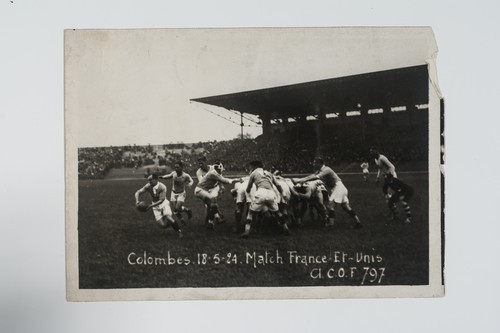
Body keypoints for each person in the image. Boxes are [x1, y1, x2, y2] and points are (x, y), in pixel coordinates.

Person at [294, 157, 362, 229]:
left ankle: (330, 225)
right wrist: (302, 179)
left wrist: (304, 180)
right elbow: (312, 175)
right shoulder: (320, 170)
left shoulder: (326, 169)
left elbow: (317, 177)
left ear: (319, 163)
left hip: (338, 187)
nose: (314, 165)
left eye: (315, 163)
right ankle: (358, 222)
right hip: (339, 187)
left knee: (330, 205)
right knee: (346, 207)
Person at [240, 160, 291, 238]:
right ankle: (286, 229)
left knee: (250, 213)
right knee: (277, 213)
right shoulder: (269, 173)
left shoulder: (253, 173)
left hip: (261, 192)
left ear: (254, 166)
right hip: (271, 193)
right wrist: (284, 195)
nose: (250, 168)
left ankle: (246, 232)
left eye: (251, 166)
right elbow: (278, 185)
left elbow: (249, 187)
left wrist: (248, 192)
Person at [194, 161, 240, 230]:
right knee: (212, 203)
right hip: (199, 190)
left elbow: (221, 180)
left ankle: (211, 223)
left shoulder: (215, 173)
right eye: (221, 170)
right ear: (218, 169)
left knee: (212, 205)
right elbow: (224, 181)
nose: (222, 171)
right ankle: (216, 218)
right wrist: (237, 179)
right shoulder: (213, 174)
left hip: (202, 190)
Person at [134, 174, 183, 238]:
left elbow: (161, 200)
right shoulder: (148, 186)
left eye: (151, 180)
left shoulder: (162, 187)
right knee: (163, 225)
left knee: (168, 217)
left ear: (156, 179)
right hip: (155, 206)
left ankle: (179, 231)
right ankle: (173, 222)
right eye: (148, 180)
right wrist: (137, 201)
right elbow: (137, 192)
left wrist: (150, 206)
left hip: (164, 204)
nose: (149, 182)